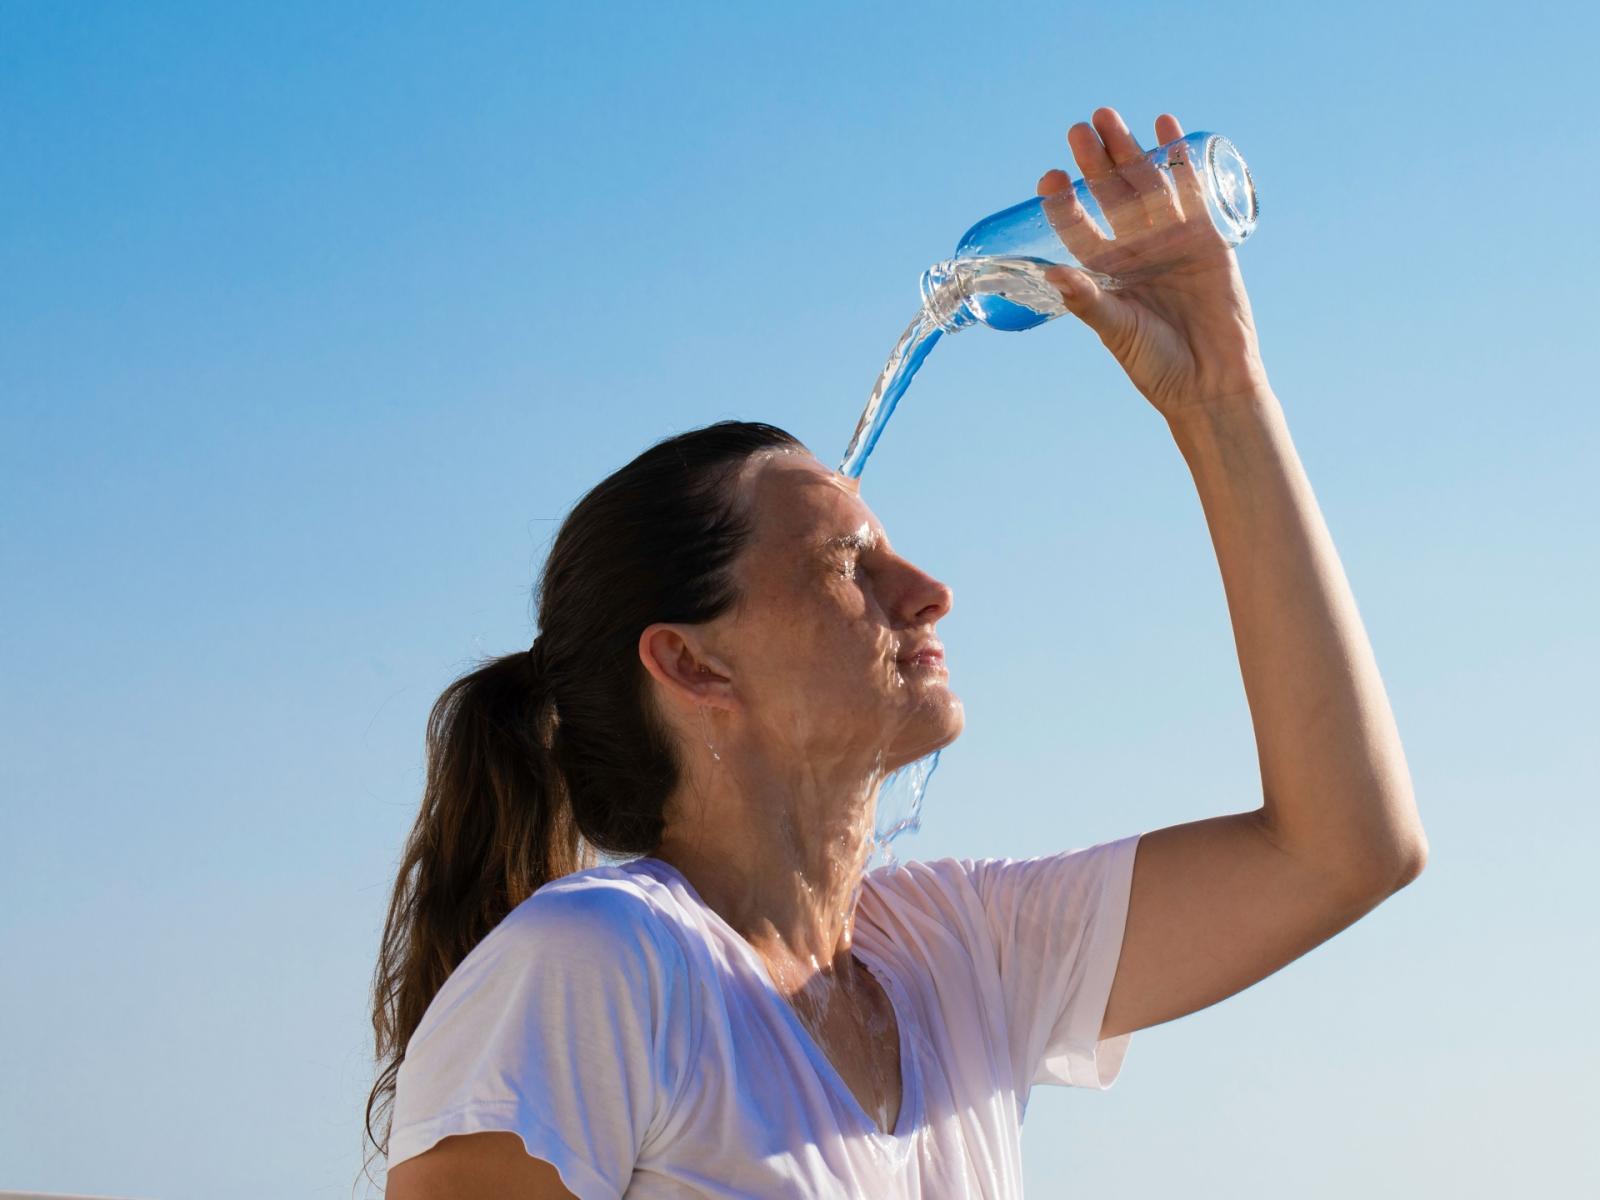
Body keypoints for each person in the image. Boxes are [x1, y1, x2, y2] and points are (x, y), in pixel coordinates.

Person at [369, 107, 1428, 1199]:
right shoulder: (599, 962)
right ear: (692, 664)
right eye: (847, 565)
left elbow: (1346, 849)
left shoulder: (956, 954)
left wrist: (1221, 398)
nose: (928, 593)